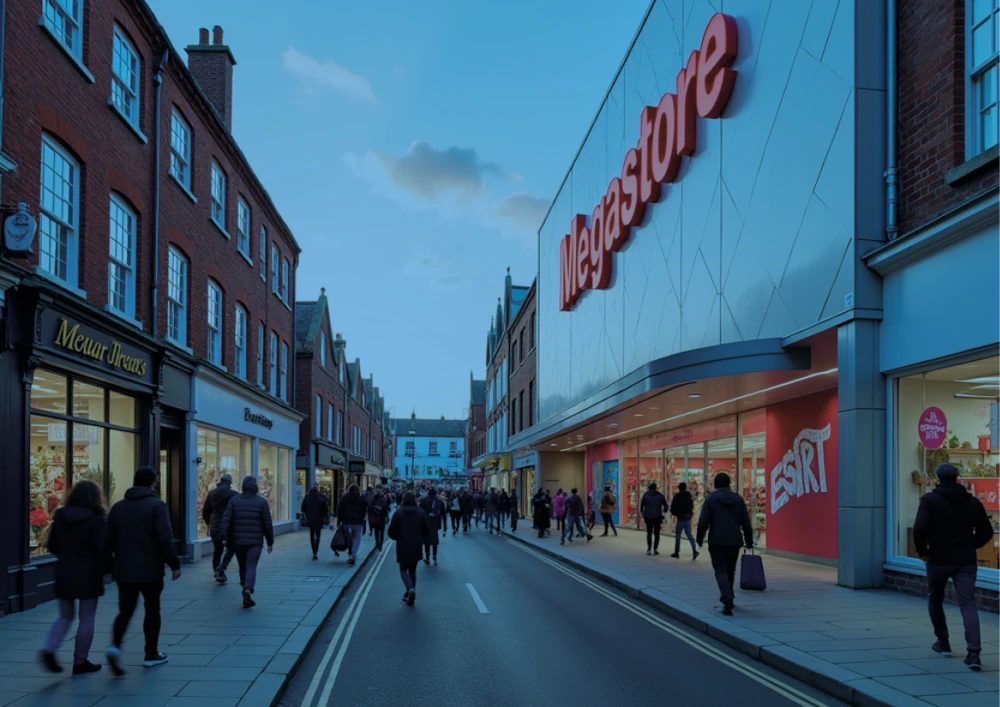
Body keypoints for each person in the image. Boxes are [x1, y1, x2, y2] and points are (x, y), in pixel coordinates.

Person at [914, 463, 995, 671]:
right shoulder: (972, 502)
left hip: (938, 558)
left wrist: (923, 551)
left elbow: (920, 528)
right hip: (965, 560)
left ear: (938, 478)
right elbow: (987, 531)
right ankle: (974, 653)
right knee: (967, 603)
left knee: (935, 598)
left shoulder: (930, 500)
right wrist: (971, 544)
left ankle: (943, 642)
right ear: (958, 478)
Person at [106, 467, 181, 676]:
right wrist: (174, 564)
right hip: (150, 570)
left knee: (125, 610)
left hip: (124, 570)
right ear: (153, 483)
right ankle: (151, 654)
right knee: (152, 609)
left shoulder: (118, 507)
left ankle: (114, 646)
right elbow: (164, 538)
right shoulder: (157, 506)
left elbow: (108, 540)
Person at [40, 480, 108, 675]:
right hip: (89, 572)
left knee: (65, 616)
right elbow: (102, 549)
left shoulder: (60, 516)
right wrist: (107, 570)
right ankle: (80, 661)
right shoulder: (97, 520)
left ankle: (50, 648)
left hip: (64, 570)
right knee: (87, 617)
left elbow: (52, 545)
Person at [696, 473, 753, 616]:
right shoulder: (738, 499)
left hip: (717, 540)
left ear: (715, 484)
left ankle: (727, 598)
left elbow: (703, 522)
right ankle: (730, 596)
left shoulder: (711, 499)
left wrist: (699, 539)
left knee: (720, 570)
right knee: (730, 570)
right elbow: (746, 522)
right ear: (729, 484)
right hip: (734, 541)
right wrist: (749, 541)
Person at [219, 476, 274, 609]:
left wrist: (223, 536)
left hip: (238, 540)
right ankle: (248, 589)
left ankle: (245, 586)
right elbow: (267, 523)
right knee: (251, 565)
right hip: (255, 541)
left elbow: (226, 519)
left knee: (242, 566)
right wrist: (270, 540)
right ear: (255, 486)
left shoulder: (234, 500)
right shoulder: (261, 502)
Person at [387, 491, 429, 606]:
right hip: (416, 543)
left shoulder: (398, 512)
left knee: (403, 569)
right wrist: (420, 536)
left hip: (402, 543)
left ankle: (410, 590)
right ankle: (411, 591)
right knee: (412, 570)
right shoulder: (420, 512)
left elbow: (391, 531)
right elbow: (426, 528)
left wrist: (397, 537)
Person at [202, 473, 238, 582]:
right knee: (231, 547)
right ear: (230, 482)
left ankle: (217, 572)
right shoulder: (234, 494)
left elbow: (206, 511)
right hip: (229, 525)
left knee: (217, 550)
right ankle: (222, 567)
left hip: (215, 524)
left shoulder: (212, 493)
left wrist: (209, 524)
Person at [336, 484, 368, 565]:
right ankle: (353, 555)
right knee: (356, 539)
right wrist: (364, 522)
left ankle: (350, 554)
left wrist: (339, 521)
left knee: (349, 538)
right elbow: (365, 511)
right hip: (358, 522)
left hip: (347, 522)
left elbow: (339, 510)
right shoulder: (362, 499)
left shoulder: (344, 498)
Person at [301, 485, 330, 560]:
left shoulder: (307, 497)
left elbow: (302, 509)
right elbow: (326, 510)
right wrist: (327, 518)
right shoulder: (321, 497)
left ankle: (313, 549)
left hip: (310, 519)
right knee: (318, 534)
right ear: (317, 490)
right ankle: (316, 550)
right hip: (319, 519)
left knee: (312, 534)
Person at [419, 489, 445, 564]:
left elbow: (420, 511)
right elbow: (443, 513)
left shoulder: (424, 500)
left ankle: (427, 557)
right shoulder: (439, 501)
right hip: (435, 523)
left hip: (426, 523)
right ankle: (434, 557)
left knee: (427, 542)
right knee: (434, 542)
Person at [368, 487, 390, 552]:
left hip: (375, 519)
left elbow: (370, 509)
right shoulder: (383, 500)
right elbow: (385, 510)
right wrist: (386, 517)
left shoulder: (373, 500)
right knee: (382, 533)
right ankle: (380, 546)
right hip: (381, 519)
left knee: (376, 532)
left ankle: (377, 544)